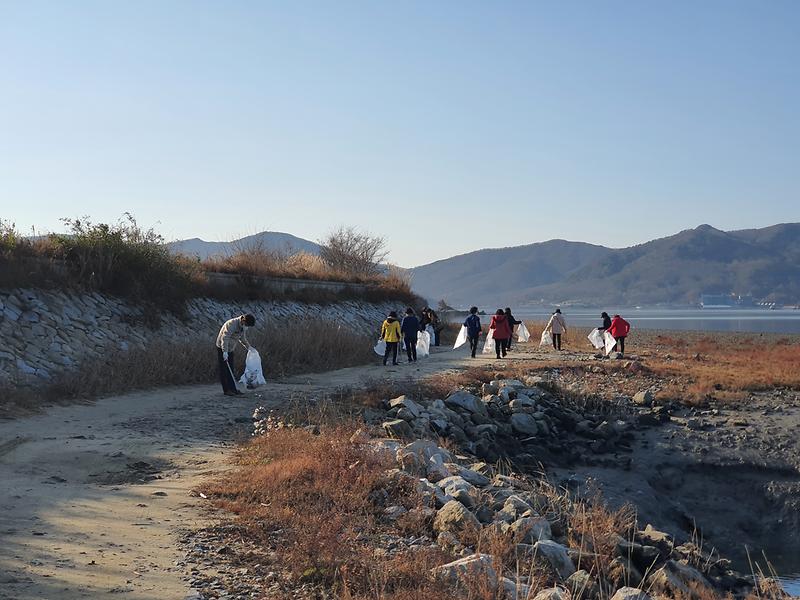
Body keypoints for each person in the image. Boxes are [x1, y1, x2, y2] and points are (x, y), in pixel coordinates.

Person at [215, 313, 255, 396]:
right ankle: (226, 390)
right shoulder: (232, 324)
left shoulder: (242, 328)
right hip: (222, 347)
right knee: (224, 369)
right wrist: (224, 352)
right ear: (243, 321)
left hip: (231, 348)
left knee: (231, 369)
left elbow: (242, 338)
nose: (247, 327)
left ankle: (233, 389)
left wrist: (249, 347)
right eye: (247, 325)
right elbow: (224, 338)